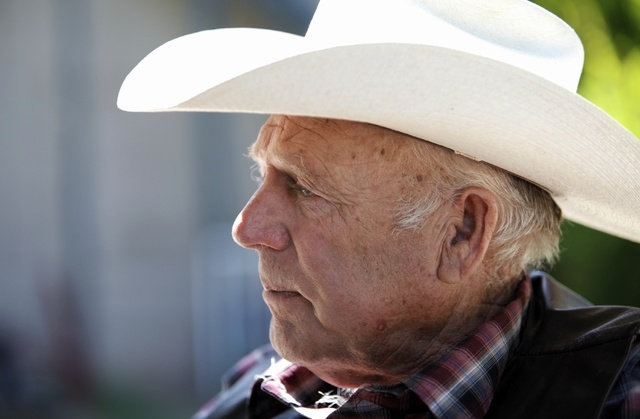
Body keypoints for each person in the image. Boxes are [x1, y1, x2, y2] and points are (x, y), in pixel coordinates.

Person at [117, 0, 640, 417]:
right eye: (265, 175)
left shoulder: (618, 395)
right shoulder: (257, 394)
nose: (247, 227)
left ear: (461, 231)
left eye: (304, 187)